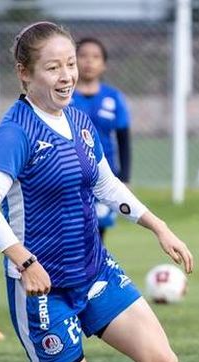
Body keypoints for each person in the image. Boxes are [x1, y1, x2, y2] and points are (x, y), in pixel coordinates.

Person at [0, 21, 193, 362]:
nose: (67, 75)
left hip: (95, 271)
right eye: (53, 67)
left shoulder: (79, 121)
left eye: (70, 64)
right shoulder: (14, 133)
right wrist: (23, 261)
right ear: (25, 73)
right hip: (43, 288)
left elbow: (107, 184)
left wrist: (159, 226)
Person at [71, 37, 132, 243]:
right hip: (70, 175)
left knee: (97, 235)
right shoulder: (62, 96)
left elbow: (123, 139)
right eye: (83, 56)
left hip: (104, 177)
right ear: (73, 61)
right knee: (71, 233)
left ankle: (93, 274)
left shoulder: (113, 97)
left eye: (95, 57)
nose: (89, 61)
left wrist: (125, 177)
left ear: (103, 64)